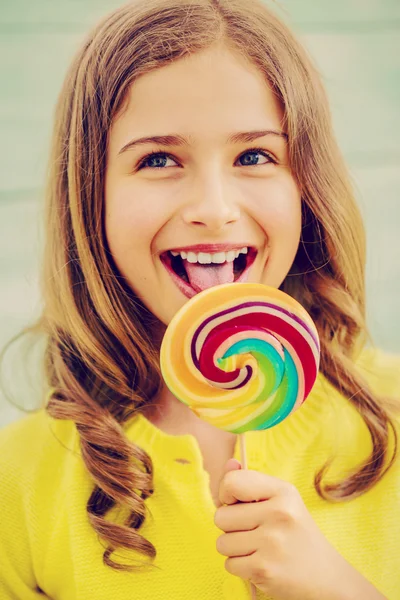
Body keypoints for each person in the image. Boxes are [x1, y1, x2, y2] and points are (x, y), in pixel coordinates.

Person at [0, 0, 399, 598]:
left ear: (306, 185)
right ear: (90, 195)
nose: (214, 208)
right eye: (158, 159)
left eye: (255, 156)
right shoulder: (22, 478)